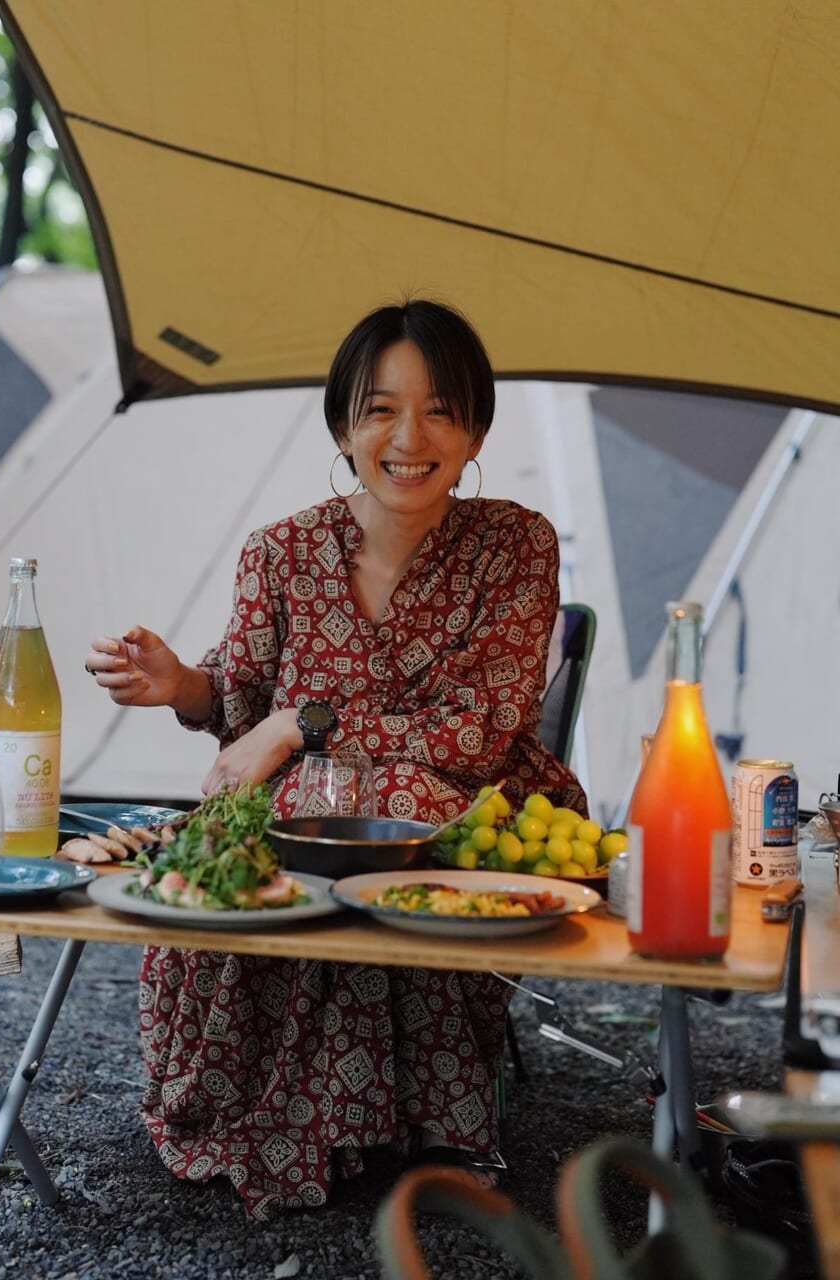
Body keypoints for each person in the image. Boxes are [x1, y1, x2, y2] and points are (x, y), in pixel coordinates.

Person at [85, 298, 586, 1221]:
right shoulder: (279, 553)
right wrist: (183, 685)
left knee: (388, 803)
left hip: (470, 800)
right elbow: (239, 706)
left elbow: (477, 730)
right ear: (342, 427)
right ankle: (272, 1105)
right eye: (380, 409)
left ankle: (410, 1111)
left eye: (440, 410)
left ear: (476, 431)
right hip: (302, 808)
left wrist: (300, 726)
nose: (409, 437)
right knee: (245, 841)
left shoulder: (517, 544)